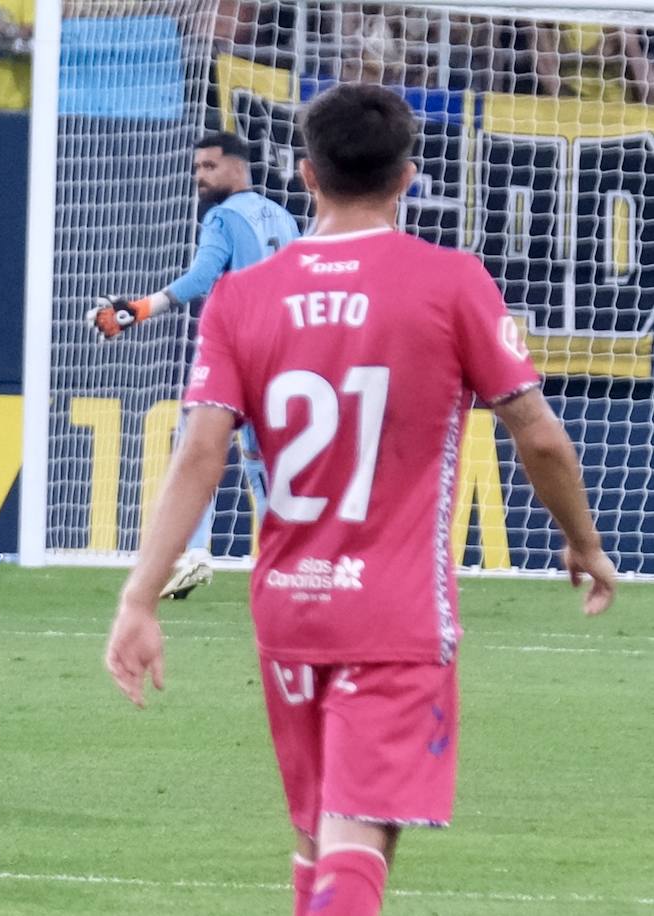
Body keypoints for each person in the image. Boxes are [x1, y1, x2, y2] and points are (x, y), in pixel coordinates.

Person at [104, 83, 618, 916]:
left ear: (307, 176)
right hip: (395, 611)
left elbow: (200, 451)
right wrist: (583, 541)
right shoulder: (449, 281)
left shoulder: (243, 297)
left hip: (289, 607)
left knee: (317, 839)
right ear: (409, 175)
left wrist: (138, 595)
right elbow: (541, 434)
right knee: (358, 836)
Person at [89, 132, 300, 599]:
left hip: (236, 354)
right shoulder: (285, 219)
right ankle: (285, 563)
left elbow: (202, 277)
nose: (199, 177)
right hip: (283, 355)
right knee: (259, 462)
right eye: (196, 168)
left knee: (194, 454)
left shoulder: (222, 217)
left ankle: (194, 555)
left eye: (209, 167)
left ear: (238, 168)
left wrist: (137, 310)